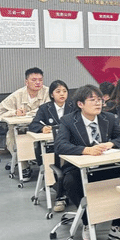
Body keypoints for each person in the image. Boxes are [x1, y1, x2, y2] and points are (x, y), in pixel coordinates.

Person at [54, 85, 120, 240]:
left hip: (105, 165)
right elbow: (60, 145)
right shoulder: (68, 121)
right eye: (92, 100)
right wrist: (87, 150)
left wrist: (110, 144)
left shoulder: (109, 118)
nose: (98, 103)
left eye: (99, 99)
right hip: (79, 168)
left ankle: (118, 226)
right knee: (70, 181)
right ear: (80, 104)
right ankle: (87, 221)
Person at [28, 80, 76, 212]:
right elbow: (33, 124)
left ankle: (70, 191)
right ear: (51, 94)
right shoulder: (45, 108)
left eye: (65, 91)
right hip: (51, 146)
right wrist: (42, 128)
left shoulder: (73, 106)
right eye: (58, 91)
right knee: (59, 164)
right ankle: (61, 196)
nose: (62, 94)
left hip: (71, 144)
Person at [0, 67, 50, 179]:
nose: (38, 83)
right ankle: (24, 166)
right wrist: (14, 112)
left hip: (41, 127)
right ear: (26, 82)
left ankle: (47, 167)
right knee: (12, 139)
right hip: (20, 128)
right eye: (34, 80)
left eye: (40, 80)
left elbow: (51, 109)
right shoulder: (17, 95)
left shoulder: (48, 92)